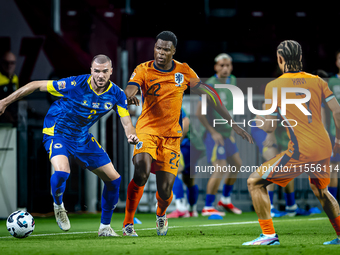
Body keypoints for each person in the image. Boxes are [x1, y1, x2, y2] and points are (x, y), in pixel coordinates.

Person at [122, 31, 253, 236]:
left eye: (166, 49)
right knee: (141, 169)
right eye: (158, 48)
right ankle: (127, 223)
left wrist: (232, 123)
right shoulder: (143, 69)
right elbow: (131, 88)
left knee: (165, 191)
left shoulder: (184, 71)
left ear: (174, 51)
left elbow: (211, 95)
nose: (161, 53)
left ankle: (161, 213)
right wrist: (129, 96)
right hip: (146, 130)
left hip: (172, 137)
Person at [0, 54, 139, 237]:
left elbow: (127, 122)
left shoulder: (117, 94)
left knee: (114, 180)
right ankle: (58, 205)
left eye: (105, 71)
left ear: (111, 72)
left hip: (82, 138)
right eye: (96, 71)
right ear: (91, 71)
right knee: (62, 172)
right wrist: (4, 102)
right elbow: (35, 85)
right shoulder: (75, 84)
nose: (100, 75)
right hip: (57, 131)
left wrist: (131, 135)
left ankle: (105, 227)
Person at [244, 40, 340, 245]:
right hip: (324, 146)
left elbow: (269, 127)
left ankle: (269, 235)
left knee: (254, 182)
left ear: (280, 59)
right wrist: (338, 139)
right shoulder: (317, 81)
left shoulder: (274, 86)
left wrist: (258, 118)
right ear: (301, 58)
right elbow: (337, 110)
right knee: (322, 192)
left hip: (301, 150)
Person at [196, 53, 242, 216]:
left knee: (237, 165)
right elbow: (199, 113)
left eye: (228, 65)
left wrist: (231, 130)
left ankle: (225, 200)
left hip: (226, 134)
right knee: (220, 168)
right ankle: (208, 206)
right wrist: (213, 132)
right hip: (213, 135)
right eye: (221, 65)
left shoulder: (233, 80)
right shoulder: (209, 85)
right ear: (215, 67)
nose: (225, 68)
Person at [168, 108, 205, 218]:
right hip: (193, 146)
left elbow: (186, 121)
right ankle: (192, 210)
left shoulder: (171, 102)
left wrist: (177, 141)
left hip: (185, 144)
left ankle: (181, 208)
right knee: (189, 180)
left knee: (172, 172)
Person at [327, 51, 340, 200]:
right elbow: (325, 108)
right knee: (334, 168)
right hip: (334, 131)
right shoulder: (331, 82)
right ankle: (334, 203)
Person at [0, 51, 19, 124]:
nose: (9, 65)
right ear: (1, 63)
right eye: (6, 62)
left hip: (13, 119)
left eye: (12, 63)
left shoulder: (15, 78)